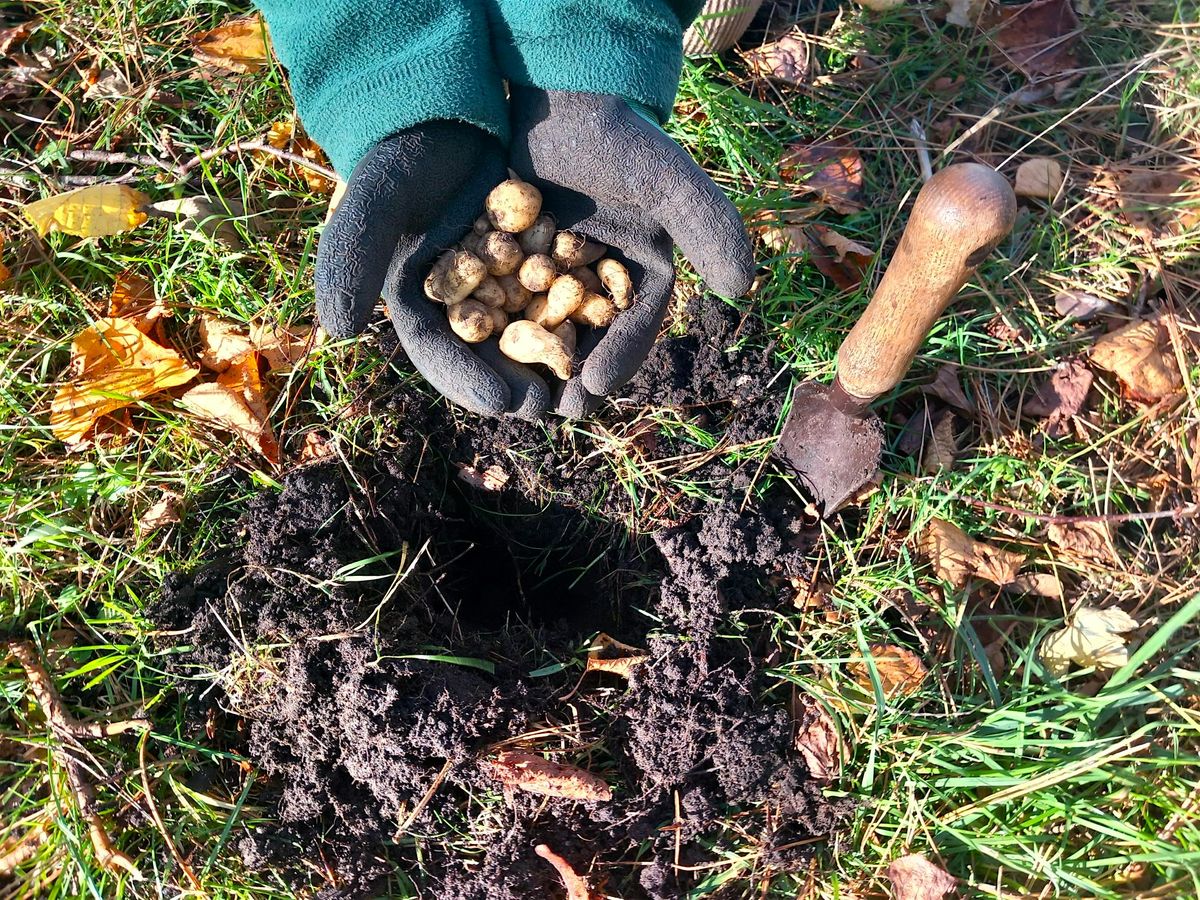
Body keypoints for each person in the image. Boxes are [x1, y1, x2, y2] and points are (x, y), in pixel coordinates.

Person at [256, 0, 755, 420]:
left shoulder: (534, 271)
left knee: (708, 24)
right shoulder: (503, 277)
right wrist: (388, 81)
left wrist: (591, 52)